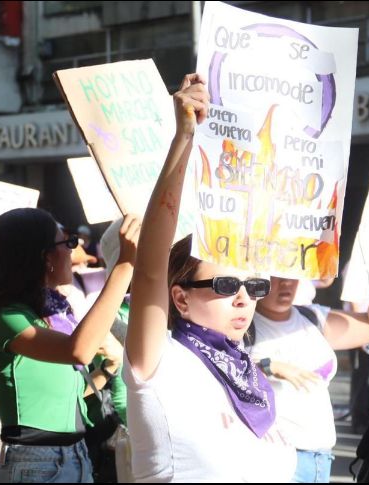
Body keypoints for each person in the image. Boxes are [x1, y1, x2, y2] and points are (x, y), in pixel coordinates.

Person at [124, 73, 296, 482]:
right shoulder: (159, 359)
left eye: (254, 286)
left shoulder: (247, 372)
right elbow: (150, 269)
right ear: (180, 299)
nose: (244, 298)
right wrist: (184, 138)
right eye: (225, 285)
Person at [0, 209, 139, 483]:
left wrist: (107, 369)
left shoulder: (53, 315)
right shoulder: (8, 318)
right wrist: (125, 265)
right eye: (68, 243)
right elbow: (78, 350)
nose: (73, 251)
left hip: (76, 457)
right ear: (44, 257)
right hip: (38, 463)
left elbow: (69, 393)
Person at [248, 224, 369, 482]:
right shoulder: (242, 324)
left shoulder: (312, 317)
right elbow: (218, 366)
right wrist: (267, 365)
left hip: (320, 460)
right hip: (272, 463)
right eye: (276, 274)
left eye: (292, 272)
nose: (286, 282)